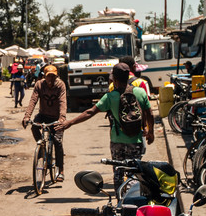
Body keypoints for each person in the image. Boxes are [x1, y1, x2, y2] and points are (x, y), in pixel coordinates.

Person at [58, 63, 155, 193]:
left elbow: (90, 112)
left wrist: (70, 123)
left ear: (114, 79)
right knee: (134, 173)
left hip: (117, 141)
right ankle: (133, 200)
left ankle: (119, 201)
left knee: (118, 173)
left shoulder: (110, 96)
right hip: (135, 141)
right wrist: (151, 133)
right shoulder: (140, 92)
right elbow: (150, 113)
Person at [22, 64, 68, 182]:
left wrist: (62, 118)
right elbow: (33, 100)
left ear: (56, 76)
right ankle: (41, 149)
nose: (51, 79)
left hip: (56, 117)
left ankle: (60, 170)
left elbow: (63, 102)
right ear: (44, 76)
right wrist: (27, 117)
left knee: (57, 141)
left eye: (53, 77)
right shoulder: (39, 85)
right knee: (34, 127)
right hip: (43, 115)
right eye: (49, 77)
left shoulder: (60, 85)